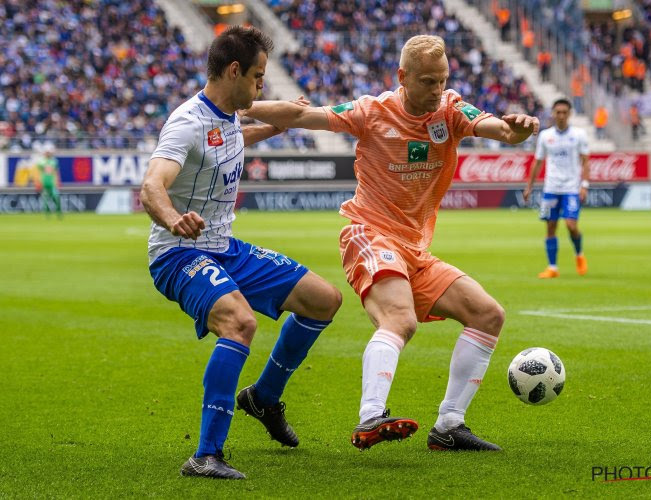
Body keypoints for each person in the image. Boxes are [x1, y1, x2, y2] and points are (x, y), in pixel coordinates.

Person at [244, 35, 540, 451]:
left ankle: (449, 427)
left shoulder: (451, 109)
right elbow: (303, 116)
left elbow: (494, 128)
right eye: (426, 82)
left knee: (488, 314)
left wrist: (514, 130)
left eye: (441, 80)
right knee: (401, 321)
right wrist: (240, 106)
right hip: (369, 233)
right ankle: (370, 417)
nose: (436, 91)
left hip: (414, 250)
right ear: (402, 77)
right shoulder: (372, 111)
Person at [140, 26, 342, 480]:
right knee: (240, 322)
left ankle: (263, 398)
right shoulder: (186, 122)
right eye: (257, 76)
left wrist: (272, 126)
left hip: (225, 249)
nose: (261, 86)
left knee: (323, 299)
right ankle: (206, 455)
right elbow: (152, 185)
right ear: (234, 71)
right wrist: (174, 219)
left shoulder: (229, 113)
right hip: (178, 253)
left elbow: (230, 139)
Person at [523, 97, 590, 279]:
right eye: (558, 112)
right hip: (551, 188)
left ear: (569, 114)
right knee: (550, 227)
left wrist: (584, 185)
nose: (561, 116)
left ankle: (579, 254)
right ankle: (552, 267)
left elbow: (585, 162)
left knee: (571, 225)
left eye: (564, 112)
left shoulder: (579, 135)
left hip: (571, 188)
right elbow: (537, 163)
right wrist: (529, 186)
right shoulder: (545, 136)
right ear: (553, 114)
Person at [35, 143, 62, 218]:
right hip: (44, 182)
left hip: (52, 182)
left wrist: (58, 181)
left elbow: (56, 172)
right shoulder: (41, 161)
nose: (48, 153)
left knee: (56, 197)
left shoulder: (54, 161)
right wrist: (38, 182)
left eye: (49, 152)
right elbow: (38, 173)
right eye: (47, 152)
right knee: (46, 199)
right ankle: (47, 214)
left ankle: (58, 212)